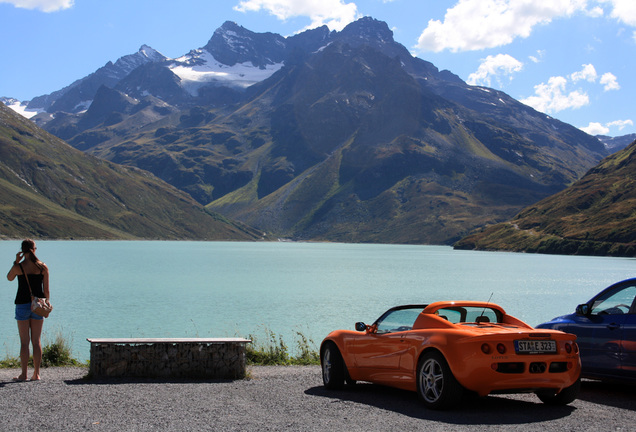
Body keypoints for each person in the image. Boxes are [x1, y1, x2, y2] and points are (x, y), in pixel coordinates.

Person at [6, 239, 50, 381]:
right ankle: (36, 374)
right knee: (36, 341)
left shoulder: (19, 267)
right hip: (38, 306)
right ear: (34, 249)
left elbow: (9, 278)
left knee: (24, 342)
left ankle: (23, 374)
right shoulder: (43, 267)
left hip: (22, 305)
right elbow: (46, 291)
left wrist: (16, 262)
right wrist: (46, 304)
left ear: (22, 250)